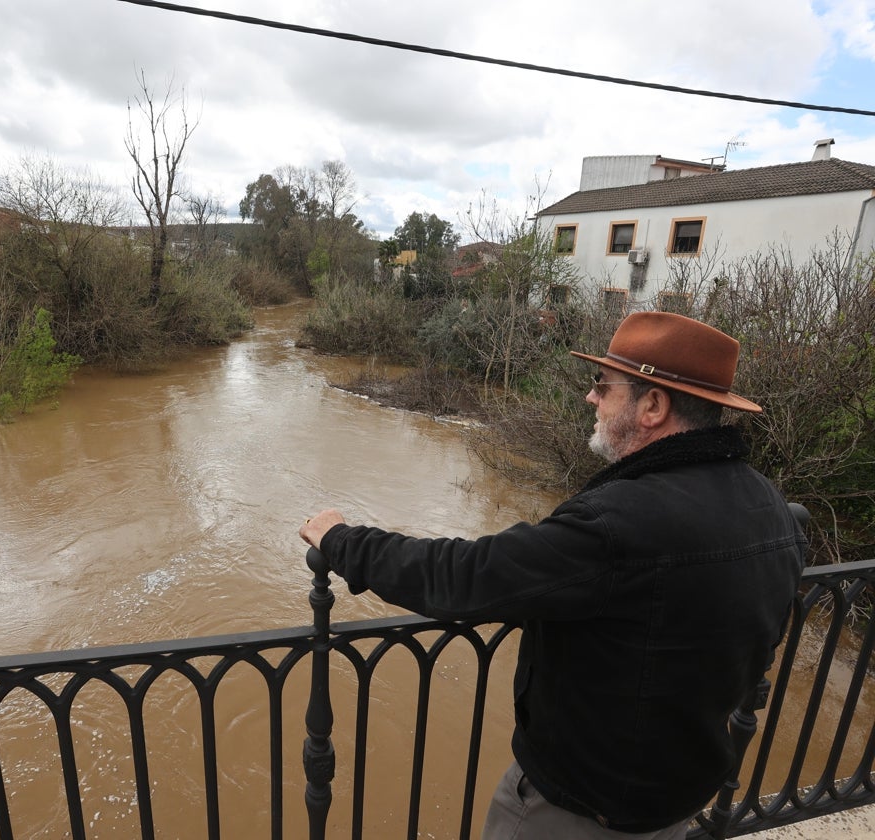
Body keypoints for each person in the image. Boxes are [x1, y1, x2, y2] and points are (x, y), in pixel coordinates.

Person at [300, 311, 806, 839]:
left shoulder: (619, 524)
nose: (591, 398)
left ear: (653, 406)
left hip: (577, 810)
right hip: (675, 802)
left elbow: (465, 576)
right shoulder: (769, 508)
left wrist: (341, 540)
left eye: (604, 386)